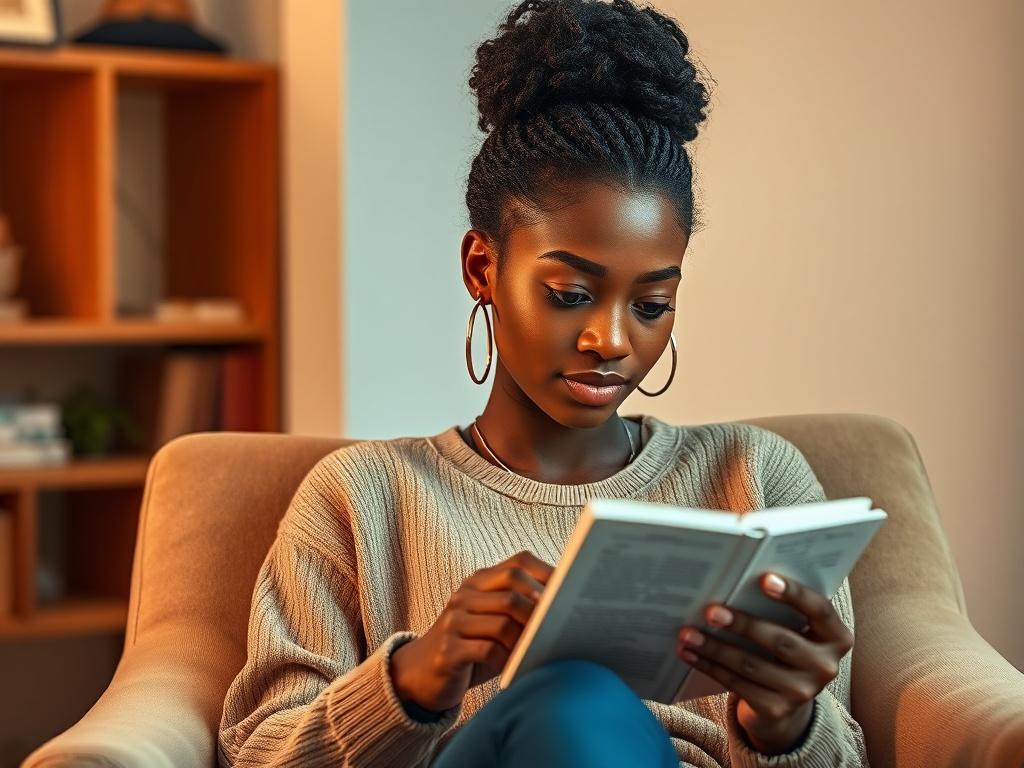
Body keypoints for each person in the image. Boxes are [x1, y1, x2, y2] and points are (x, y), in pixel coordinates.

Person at [217, 1, 870, 765]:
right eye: (570, 293)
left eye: (653, 304)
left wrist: (784, 724)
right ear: (482, 269)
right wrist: (418, 676)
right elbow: (257, 755)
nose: (613, 341)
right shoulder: (363, 497)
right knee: (576, 697)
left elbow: (849, 752)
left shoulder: (757, 481)